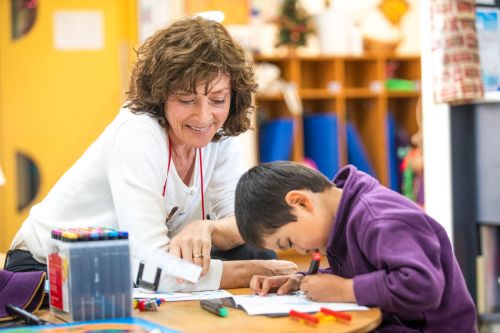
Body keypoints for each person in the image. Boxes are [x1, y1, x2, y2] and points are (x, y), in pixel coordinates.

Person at [5, 16, 297, 291]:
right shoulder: (138, 133)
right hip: (46, 266)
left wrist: (207, 228)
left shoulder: (218, 131)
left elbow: (243, 221)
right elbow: (149, 267)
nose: (204, 116)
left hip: (122, 263)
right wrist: (250, 272)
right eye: (186, 99)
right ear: (160, 94)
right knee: (252, 264)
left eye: (218, 99)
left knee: (253, 251)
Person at [234, 161, 477, 332]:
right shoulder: (341, 221)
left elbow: (423, 285)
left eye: (289, 241)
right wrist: (300, 280)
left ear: (301, 202)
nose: (299, 250)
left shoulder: (378, 219)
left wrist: (345, 290)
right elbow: (369, 273)